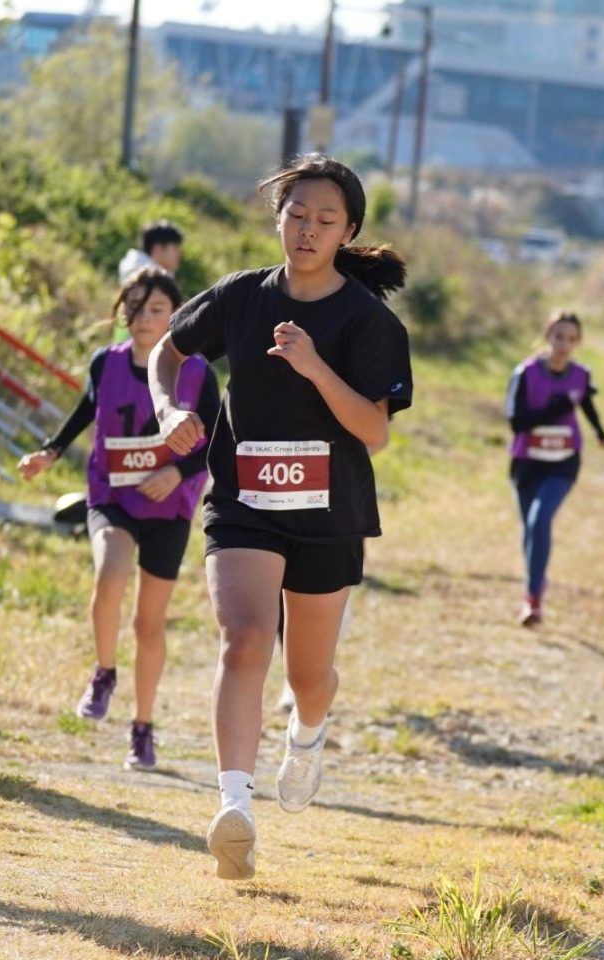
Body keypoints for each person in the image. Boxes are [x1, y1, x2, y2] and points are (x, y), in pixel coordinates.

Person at [149, 154, 412, 880]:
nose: (307, 229)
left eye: (326, 220)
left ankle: (307, 732)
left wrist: (315, 367)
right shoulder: (240, 296)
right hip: (244, 503)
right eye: (296, 214)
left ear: (348, 231)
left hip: (329, 513)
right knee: (244, 640)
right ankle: (235, 806)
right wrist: (171, 407)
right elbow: (167, 356)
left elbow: (375, 430)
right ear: (277, 217)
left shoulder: (367, 322)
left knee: (311, 674)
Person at [18, 268, 219, 769]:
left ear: (177, 314)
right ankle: (104, 672)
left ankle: (143, 727)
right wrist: (50, 452)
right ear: (120, 312)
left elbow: (217, 442)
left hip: (168, 505)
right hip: (111, 494)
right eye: (134, 307)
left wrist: (176, 474)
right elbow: (85, 412)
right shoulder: (104, 364)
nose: (144, 319)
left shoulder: (196, 372)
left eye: (156, 310)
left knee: (148, 623)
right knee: (110, 574)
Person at [506, 311, 604, 627]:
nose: (565, 345)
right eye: (559, 336)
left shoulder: (581, 375)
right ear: (548, 335)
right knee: (529, 530)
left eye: (572, 339)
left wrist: (599, 430)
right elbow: (516, 422)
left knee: (540, 520)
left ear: (578, 342)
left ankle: (533, 600)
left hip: (563, 462)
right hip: (527, 462)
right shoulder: (525, 373)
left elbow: (585, 402)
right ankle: (536, 581)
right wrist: (555, 411)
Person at [117, 220, 183, 285]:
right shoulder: (144, 276)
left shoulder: (137, 266)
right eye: (175, 248)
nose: (179, 253)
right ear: (158, 249)